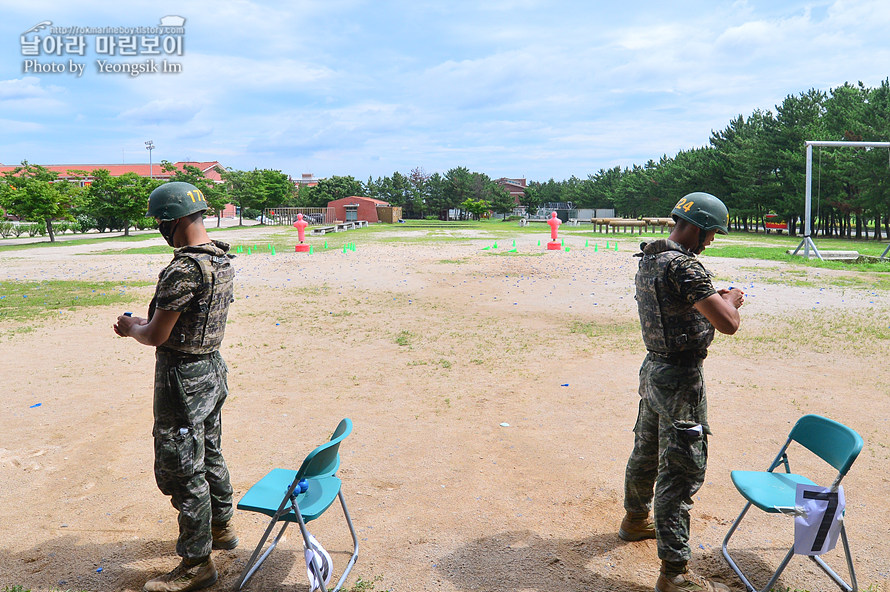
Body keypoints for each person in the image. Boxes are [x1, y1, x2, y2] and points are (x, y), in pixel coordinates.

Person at [114, 181, 238, 592]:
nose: (161, 229)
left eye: (162, 222)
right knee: (210, 451)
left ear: (175, 221)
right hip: (212, 370)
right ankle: (221, 527)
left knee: (182, 470)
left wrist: (132, 327)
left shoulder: (183, 269)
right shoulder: (220, 258)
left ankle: (196, 565)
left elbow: (156, 335)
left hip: (182, 379)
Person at [619, 192, 744, 592]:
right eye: (710, 234)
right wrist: (732, 301)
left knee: (645, 448)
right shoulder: (684, 267)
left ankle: (636, 519)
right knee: (680, 470)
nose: (710, 242)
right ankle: (675, 574)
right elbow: (727, 324)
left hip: (654, 369)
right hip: (680, 380)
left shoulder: (652, 256)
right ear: (696, 227)